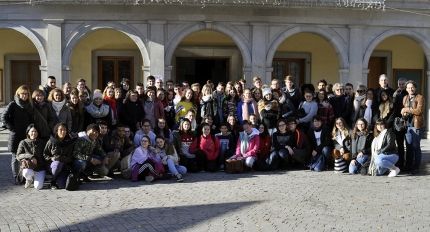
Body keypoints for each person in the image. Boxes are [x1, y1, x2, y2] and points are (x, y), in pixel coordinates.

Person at [1, 85, 34, 179]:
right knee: (15, 157)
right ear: (18, 94)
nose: (24, 96)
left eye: (26, 94)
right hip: (15, 135)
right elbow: (3, 117)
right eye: (22, 94)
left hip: (26, 136)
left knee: (25, 157)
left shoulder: (29, 105)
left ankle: (23, 177)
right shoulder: (13, 104)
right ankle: (16, 177)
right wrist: (11, 128)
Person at [401, 80, 425, 175]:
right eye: (409, 88)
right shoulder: (405, 98)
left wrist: (407, 109)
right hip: (408, 125)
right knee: (409, 147)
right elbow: (404, 110)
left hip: (416, 126)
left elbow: (419, 111)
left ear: (415, 88)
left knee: (416, 147)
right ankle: (409, 166)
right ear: (406, 89)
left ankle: (416, 167)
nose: (411, 89)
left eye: (412, 87)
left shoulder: (420, 98)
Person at [43, 123, 76, 189]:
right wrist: (51, 158)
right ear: (56, 131)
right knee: (57, 164)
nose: (63, 132)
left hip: (64, 166)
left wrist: (61, 159)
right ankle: (52, 181)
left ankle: (58, 178)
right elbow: (45, 154)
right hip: (52, 165)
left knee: (62, 185)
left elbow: (70, 158)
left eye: (64, 130)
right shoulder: (51, 141)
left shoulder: (69, 142)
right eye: (61, 130)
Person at [16, 124, 46, 189]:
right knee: (26, 172)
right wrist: (31, 157)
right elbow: (18, 156)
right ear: (28, 132)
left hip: (40, 168)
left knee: (38, 187)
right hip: (29, 167)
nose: (34, 133)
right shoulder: (23, 142)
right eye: (32, 131)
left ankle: (37, 179)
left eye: (36, 131)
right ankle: (29, 179)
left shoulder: (43, 143)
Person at [393, 78, 408, 168]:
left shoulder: (408, 94)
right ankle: (401, 161)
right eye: (400, 84)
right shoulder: (396, 94)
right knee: (399, 143)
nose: (401, 85)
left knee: (409, 144)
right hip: (398, 121)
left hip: (407, 120)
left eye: (403, 84)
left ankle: (409, 162)